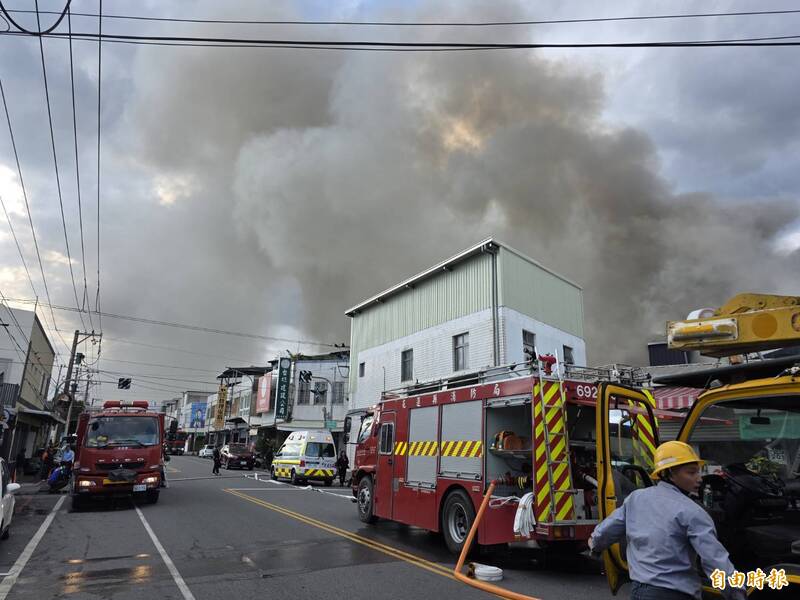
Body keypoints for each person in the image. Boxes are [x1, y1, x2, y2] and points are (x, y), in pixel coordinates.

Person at [589, 441, 746, 600]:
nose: (699, 479)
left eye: (698, 472)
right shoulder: (693, 512)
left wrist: (595, 546)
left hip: (638, 592)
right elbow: (714, 559)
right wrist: (736, 593)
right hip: (675, 594)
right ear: (670, 473)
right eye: (691, 473)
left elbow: (606, 531)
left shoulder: (636, 498)